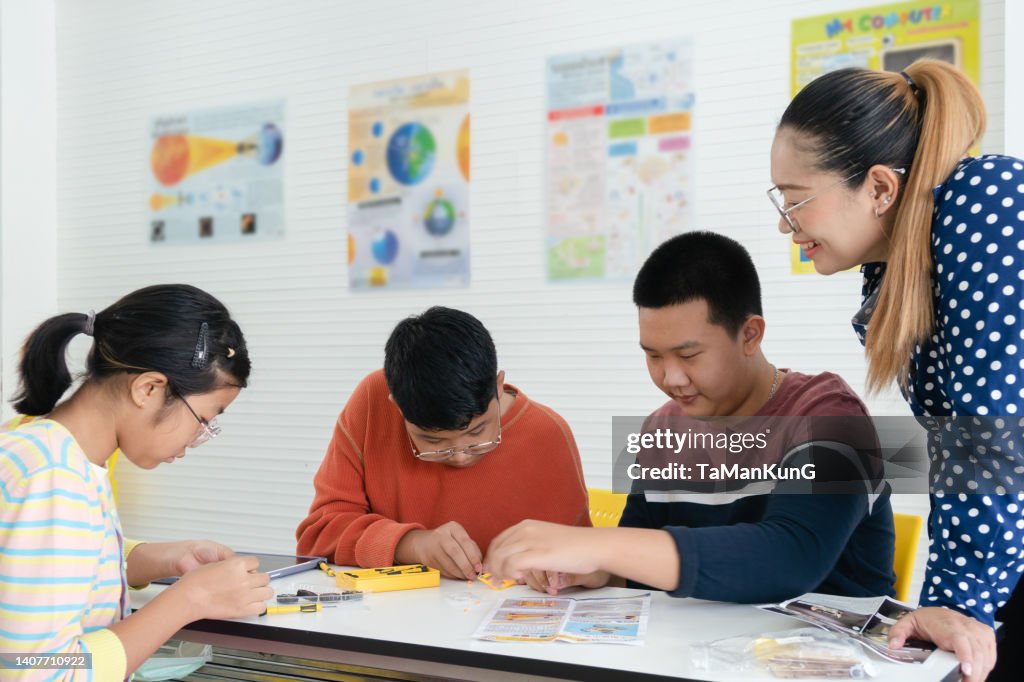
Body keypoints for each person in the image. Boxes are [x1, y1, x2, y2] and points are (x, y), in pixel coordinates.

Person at [768, 59, 1023, 681]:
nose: (784, 223)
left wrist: (955, 599)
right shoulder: (896, 264)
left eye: (795, 200)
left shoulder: (985, 202)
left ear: (880, 187)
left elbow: (989, 430)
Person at [483, 232, 896, 603]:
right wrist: (596, 570)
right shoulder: (662, 430)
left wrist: (600, 547)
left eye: (688, 355)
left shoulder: (832, 416)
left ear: (750, 334)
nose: (670, 378)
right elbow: (645, 570)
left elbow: (790, 558)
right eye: (653, 355)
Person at [0, 284, 273, 682]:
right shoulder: (56, 480)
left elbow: (50, 559)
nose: (199, 438)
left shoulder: (40, 444)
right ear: (148, 388)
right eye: (204, 420)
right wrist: (188, 600)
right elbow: (33, 670)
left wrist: (156, 558)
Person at [296, 306, 589, 580]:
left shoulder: (547, 435)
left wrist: (560, 573)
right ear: (397, 407)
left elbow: (594, 565)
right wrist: (409, 544)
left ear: (497, 388)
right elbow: (318, 534)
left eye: (477, 434)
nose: (460, 457)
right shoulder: (372, 404)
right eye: (434, 441)